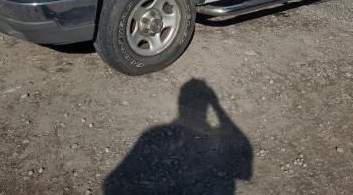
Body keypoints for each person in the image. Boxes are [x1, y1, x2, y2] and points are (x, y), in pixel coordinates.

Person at [104, 79, 253, 194]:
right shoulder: (156, 133)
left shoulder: (153, 133)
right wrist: (217, 106)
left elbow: (112, 182)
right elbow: (243, 171)